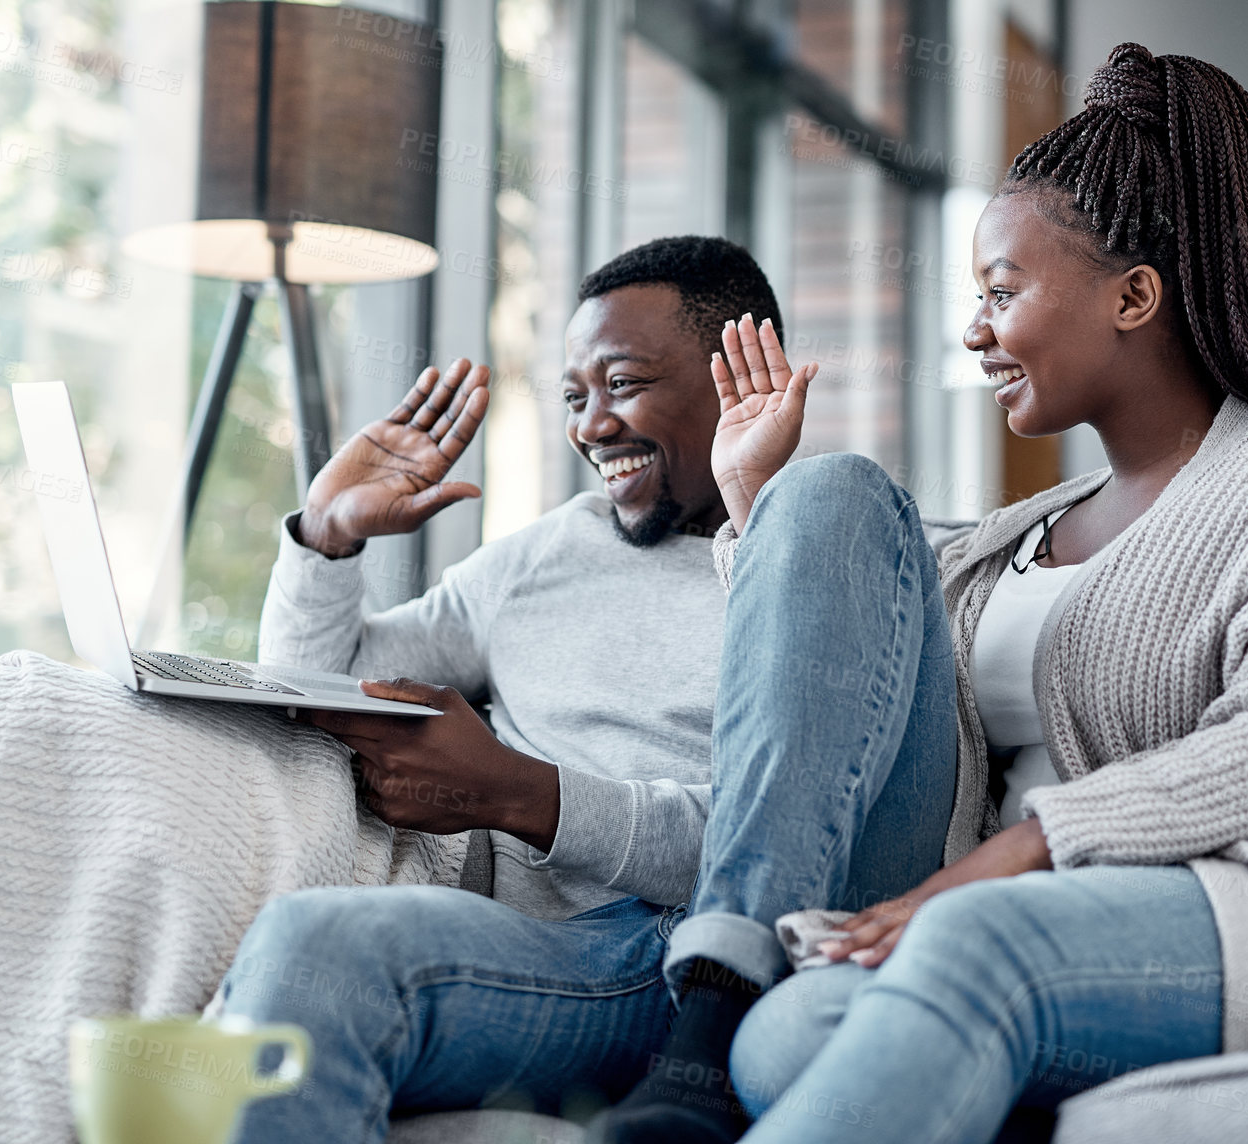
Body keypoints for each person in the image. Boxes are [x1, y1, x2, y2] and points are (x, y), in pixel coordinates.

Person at [693, 44, 1248, 1143]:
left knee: (971, 948)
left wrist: (1008, 861)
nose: (974, 330)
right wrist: (756, 512)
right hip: (995, 927)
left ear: (1135, 294)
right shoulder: (1002, 545)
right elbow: (849, 716)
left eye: (1002, 292)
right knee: (788, 1032)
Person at [217, 236, 959, 1142]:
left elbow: (805, 822)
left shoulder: (844, 559)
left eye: (624, 382)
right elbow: (320, 688)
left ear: (736, 374)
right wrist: (327, 537)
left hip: (787, 942)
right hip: (580, 963)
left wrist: (521, 793)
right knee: (309, 945)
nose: (591, 425)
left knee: (834, 491)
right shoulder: (541, 558)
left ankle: (713, 1033)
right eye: (574, 396)